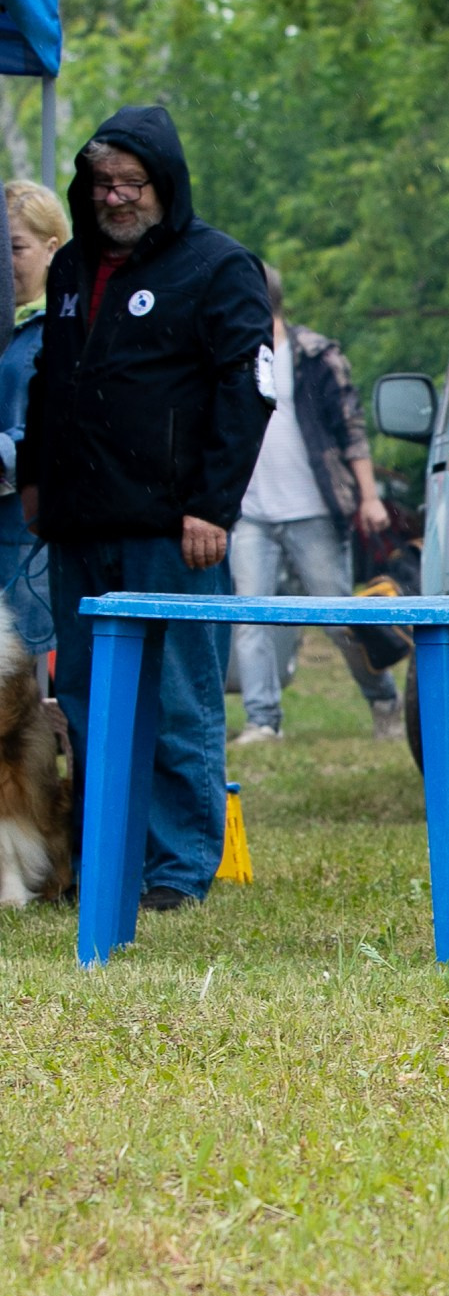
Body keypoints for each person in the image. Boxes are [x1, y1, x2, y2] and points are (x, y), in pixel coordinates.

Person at [20, 107, 273, 912]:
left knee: (175, 698)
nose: (117, 197)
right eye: (104, 183)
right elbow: (48, 383)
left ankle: (176, 870)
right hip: (78, 523)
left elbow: (248, 392)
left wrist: (212, 505)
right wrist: (34, 477)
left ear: (166, 185)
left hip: (175, 529)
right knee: (92, 699)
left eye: (133, 183)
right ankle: (107, 863)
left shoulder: (219, 266)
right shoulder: (69, 271)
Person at [230, 261, 401, 744]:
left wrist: (369, 496)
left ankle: (383, 697)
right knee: (250, 617)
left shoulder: (315, 354)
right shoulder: (233, 354)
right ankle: (263, 721)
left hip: (314, 510)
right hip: (250, 513)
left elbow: (351, 430)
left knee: (340, 620)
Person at [0, 180, 68, 653]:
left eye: (16, 248)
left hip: (26, 534)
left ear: (51, 247)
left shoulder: (61, 327)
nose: (5, 264)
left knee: (27, 671)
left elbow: (57, 426)